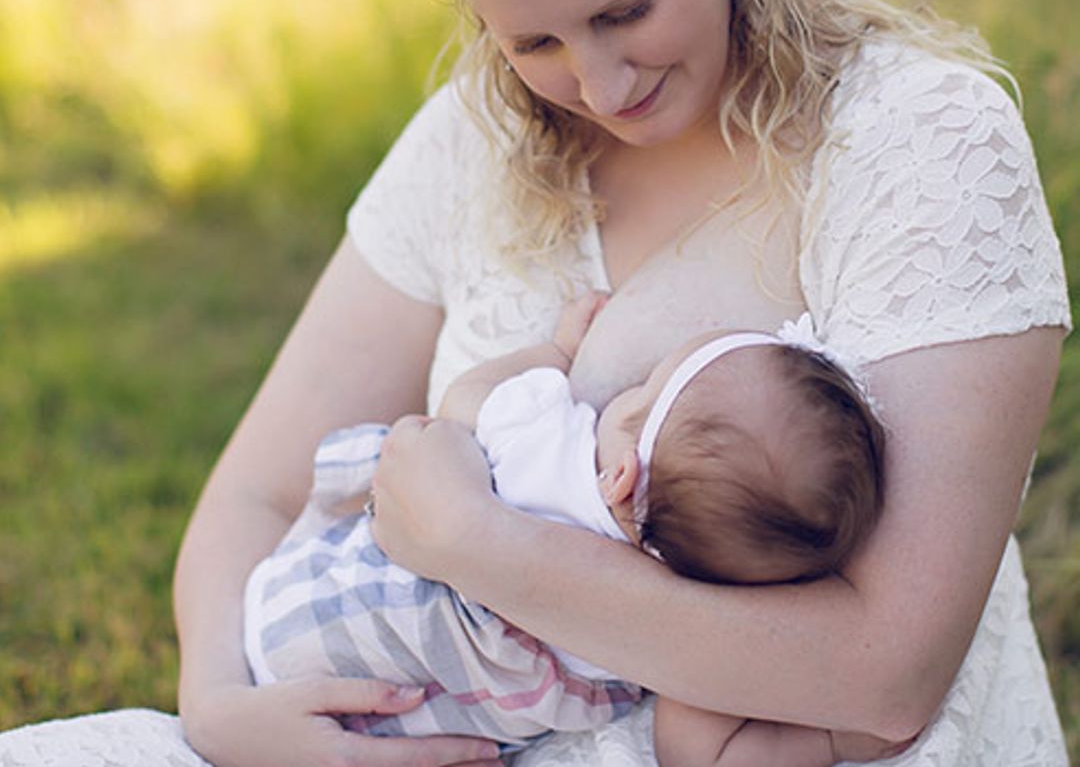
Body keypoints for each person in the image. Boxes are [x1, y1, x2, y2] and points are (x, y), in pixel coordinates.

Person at [0, 0, 1069, 767]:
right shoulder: (474, 142)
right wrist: (222, 709)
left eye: (628, 9)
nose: (600, 84)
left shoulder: (916, 140)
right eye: (535, 40)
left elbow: (889, 670)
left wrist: (479, 546)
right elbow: (258, 492)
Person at [243, 293, 889, 765]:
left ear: (620, 478)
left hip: (302, 606)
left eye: (639, 393)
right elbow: (695, 752)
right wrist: (828, 738)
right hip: (383, 727)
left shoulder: (546, 436)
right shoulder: (684, 622)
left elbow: (465, 399)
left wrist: (555, 352)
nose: (618, 396)